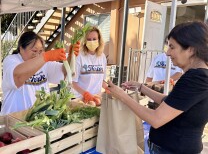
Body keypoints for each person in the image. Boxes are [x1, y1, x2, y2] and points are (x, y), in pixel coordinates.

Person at [107, 21, 208, 154]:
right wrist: (141, 87)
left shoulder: (196, 78)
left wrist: (122, 96)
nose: (167, 53)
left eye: (172, 47)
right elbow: (171, 102)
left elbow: (156, 119)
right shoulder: (198, 75)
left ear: (191, 49)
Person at [1, 31, 80, 115]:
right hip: (12, 119)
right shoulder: (11, 60)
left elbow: (65, 72)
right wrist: (46, 56)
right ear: (21, 48)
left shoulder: (44, 64)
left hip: (36, 121)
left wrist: (71, 56)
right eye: (34, 51)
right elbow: (17, 76)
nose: (38, 55)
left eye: (40, 51)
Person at [72, 26, 108, 106]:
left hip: (96, 99)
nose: (92, 41)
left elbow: (102, 80)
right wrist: (85, 94)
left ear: (99, 40)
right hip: (80, 100)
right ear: (84, 41)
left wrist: (109, 88)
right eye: (88, 39)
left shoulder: (102, 57)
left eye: (94, 39)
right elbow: (73, 82)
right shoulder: (79, 56)